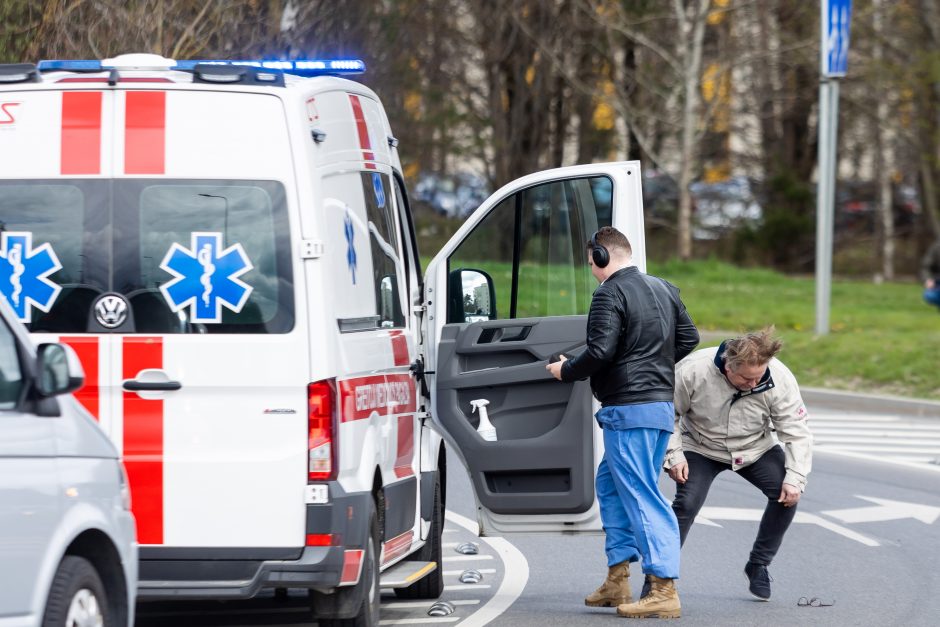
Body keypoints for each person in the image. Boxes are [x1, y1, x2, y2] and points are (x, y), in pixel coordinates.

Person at [546, 226, 699, 619]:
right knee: (611, 487)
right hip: (656, 407)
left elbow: (599, 351)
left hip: (629, 409)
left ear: (600, 256)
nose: (592, 271)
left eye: (591, 262)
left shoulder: (609, 293)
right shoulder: (664, 287)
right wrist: (652, 362)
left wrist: (566, 371)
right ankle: (618, 579)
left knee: (641, 494)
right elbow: (689, 338)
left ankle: (664, 587)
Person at [664, 328, 812, 601]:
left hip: (755, 448)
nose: (753, 384)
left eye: (758, 377)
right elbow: (666, 414)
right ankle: (661, 578)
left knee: (786, 495)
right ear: (728, 366)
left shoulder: (778, 377)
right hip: (701, 446)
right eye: (746, 378)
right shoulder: (693, 370)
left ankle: (759, 564)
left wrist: (795, 477)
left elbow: (796, 431)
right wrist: (675, 456)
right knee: (686, 505)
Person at [921, 239, 940, 311]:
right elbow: (926, 267)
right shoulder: (936, 248)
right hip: (938, 281)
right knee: (930, 295)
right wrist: (928, 279)